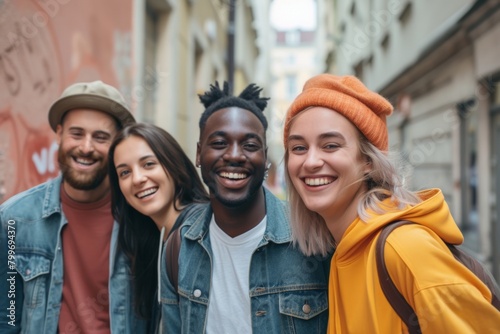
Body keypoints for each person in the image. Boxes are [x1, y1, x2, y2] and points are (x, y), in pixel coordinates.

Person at [283, 73, 500, 332]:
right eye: (298, 148)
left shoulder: (405, 249)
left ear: (368, 162)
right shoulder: (341, 251)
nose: (310, 161)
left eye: (330, 145)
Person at [161, 81, 331, 333]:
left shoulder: (314, 239)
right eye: (219, 143)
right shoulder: (179, 247)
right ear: (199, 154)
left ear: (265, 159)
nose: (234, 156)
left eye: (250, 146)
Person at [0, 80, 148, 333]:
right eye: (76, 133)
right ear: (59, 134)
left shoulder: (142, 217)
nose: (86, 147)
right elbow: (8, 315)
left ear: (117, 146)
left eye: (100, 137)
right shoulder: (14, 219)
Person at [107, 123, 209, 330]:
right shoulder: (157, 240)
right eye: (125, 172)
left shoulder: (199, 234)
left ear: (173, 163)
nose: (137, 179)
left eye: (148, 164)